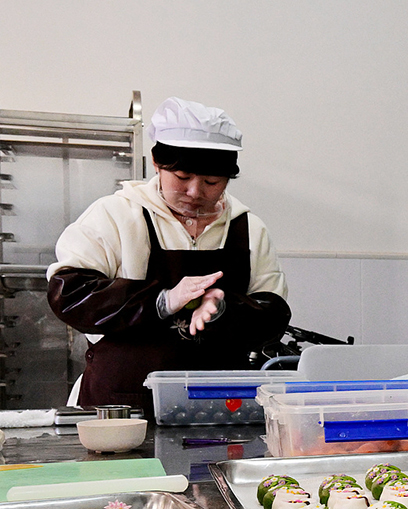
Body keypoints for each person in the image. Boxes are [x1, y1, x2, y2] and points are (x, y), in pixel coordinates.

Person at [47, 97, 291, 409]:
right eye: (183, 177)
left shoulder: (248, 228)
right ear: (156, 163)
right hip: (122, 405)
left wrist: (225, 309)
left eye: (212, 182)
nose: (195, 192)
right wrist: (162, 301)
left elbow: (274, 314)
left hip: (218, 406)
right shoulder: (116, 215)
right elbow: (69, 294)